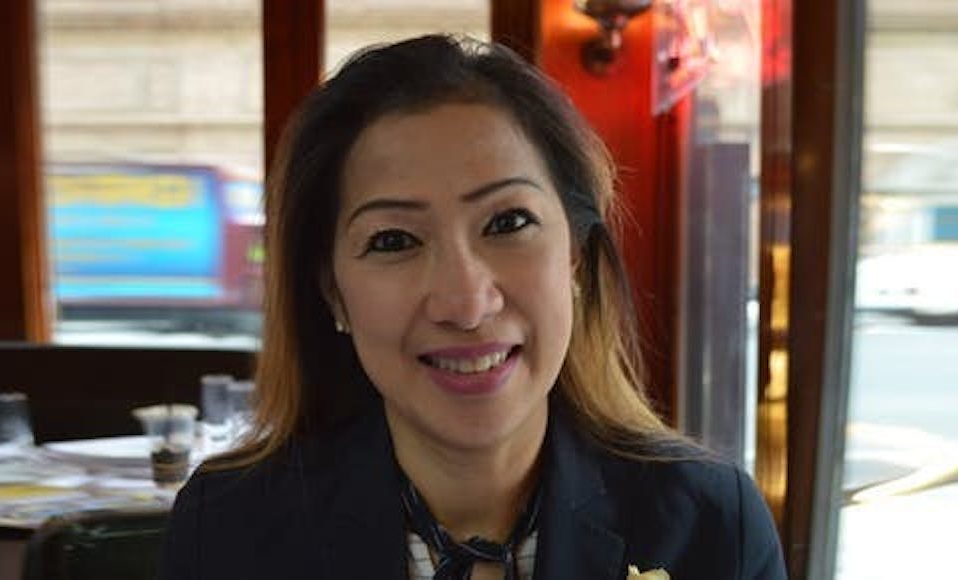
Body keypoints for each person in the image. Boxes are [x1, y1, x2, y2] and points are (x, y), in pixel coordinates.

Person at [158, 34, 786, 580]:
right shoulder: (230, 529)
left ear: (574, 256)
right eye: (394, 241)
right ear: (332, 292)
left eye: (508, 221)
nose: (466, 302)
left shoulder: (708, 525)